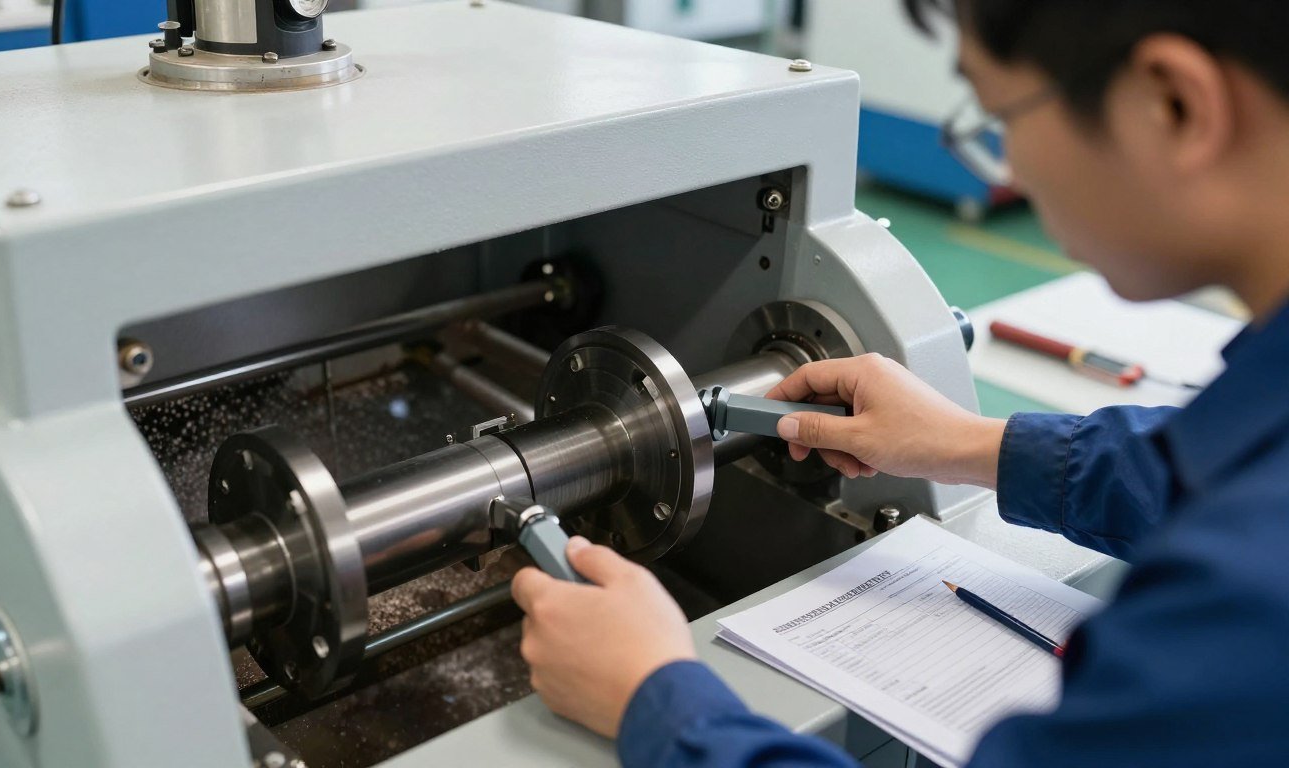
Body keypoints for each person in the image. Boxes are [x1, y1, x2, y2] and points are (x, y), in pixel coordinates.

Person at [509, 0, 1289, 765]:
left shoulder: (1240, 607)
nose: (1008, 166)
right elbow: (1207, 471)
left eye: (1001, 116)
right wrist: (974, 445)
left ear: (1174, 104)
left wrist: (655, 699)